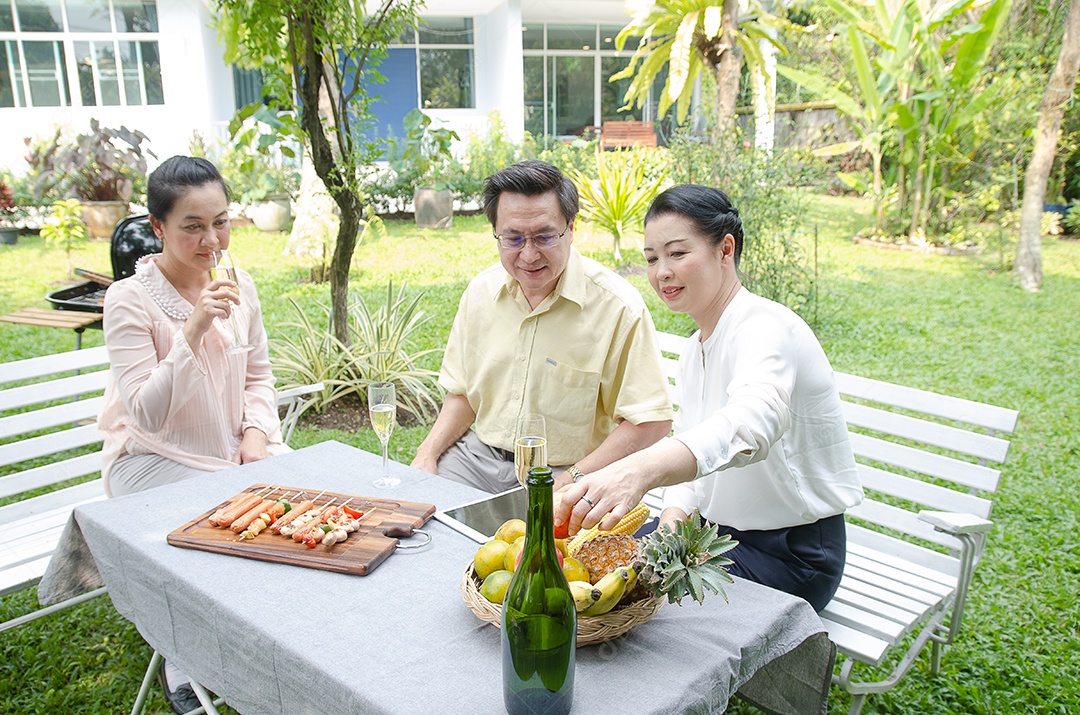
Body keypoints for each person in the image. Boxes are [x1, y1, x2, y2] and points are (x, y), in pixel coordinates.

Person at [554, 184, 863, 611]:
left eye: (678, 253)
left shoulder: (765, 327)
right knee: (587, 567)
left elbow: (752, 423)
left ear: (725, 249)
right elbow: (694, 455)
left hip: (790, 554)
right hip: (709, 538)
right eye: (651, 258)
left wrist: (639, 470)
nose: (662, 271)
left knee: (645, 612)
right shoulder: (695, 350)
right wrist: (667, 529)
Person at [96, 155, 287, 712]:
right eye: (193, 226)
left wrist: (255, 435)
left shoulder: (239, 283)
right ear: (157, 228)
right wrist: (194, 327)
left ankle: (272, 635)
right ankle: (184, 655)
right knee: (221, 525)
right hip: (154, 456)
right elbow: (146, 414)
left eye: (221, 222)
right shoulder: (127, 301)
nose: (213, 241)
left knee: (304, 504)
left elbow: (258, 376)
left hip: (234, 449)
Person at [411, 160, 673, 497]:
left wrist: (574, 477)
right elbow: (463, 393)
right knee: (412, 522)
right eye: (513, 238)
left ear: (571, 228)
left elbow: (651, 421)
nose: (529, 255)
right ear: (496, 233)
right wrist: (427, 453)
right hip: (477, 461)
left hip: (567, 472)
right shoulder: (480, 293)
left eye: (544, 237)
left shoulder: (617, 307)